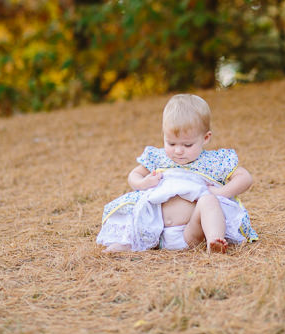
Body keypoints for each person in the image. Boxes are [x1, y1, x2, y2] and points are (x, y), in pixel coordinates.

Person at [96, 94, 257, 253]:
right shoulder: (159, 158)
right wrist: (142, 183)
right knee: (139, 210)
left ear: (205, 138)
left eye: (187, 145)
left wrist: (222, 192)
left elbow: (245, 177)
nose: (178, 151)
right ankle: (128, 244)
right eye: (171, 143)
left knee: (209, 201)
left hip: (192, 232)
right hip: (155, 232)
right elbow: (134, 175)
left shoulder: (213, 161)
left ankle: (214, 241)